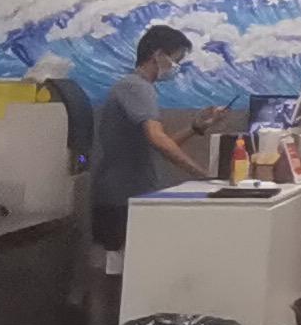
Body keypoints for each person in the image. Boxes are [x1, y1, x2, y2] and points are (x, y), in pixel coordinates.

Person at [90, 25, 218, 257]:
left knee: (121, 266)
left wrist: (195, 128)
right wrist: (203, 174)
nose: (176, 67)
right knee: (120, 267)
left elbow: (156, 144)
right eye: (176, 59)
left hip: (124, 196)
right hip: (122, 198)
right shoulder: (136, 87)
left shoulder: (137, 88)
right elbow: (157, 139)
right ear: (158, 55)